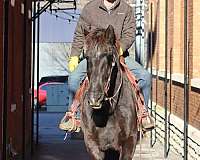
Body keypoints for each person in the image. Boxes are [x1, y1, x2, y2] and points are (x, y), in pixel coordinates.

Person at [66, 0, 154, 131]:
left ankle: (142, 115)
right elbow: (80, 34)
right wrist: (74, 56)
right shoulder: (90, 8)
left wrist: (119, 50)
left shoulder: (127, 9)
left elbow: (129, 34)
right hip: (95, 56)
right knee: (73, 79)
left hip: (119, 55)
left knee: (145, 77)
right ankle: (74, 116)